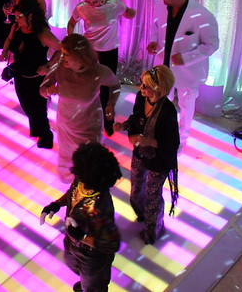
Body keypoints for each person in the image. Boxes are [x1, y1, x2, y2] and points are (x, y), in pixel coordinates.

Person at [146, 0, 219, 151]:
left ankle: (181, 140)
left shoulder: (203, 15)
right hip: (163, 67)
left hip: (189, 72)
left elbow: (212, 45)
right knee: (163, 103)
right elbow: (155, 27)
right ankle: (161, 132)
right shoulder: (160, 7)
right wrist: (153, 41)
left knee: (186, 107)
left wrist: (186, 57)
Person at [40, 142, 122, 292]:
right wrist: (57, 204)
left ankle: (92, 286)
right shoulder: (81, 180)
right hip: (72, 243)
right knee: (73, 265)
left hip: (91, 255)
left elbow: (112, 245)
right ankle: (88, 282)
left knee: (93, 286)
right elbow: (73, 193)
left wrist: (82, 237)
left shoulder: (101, 207)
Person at [40, 34, 121, 182]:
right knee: (68, 168)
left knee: (89, 168)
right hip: (66, 127)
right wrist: (47, 91)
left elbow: (116, 85)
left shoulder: (98, 72)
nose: (61, 56)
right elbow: (42, 89)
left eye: (66, 54)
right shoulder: (59, 67)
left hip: (89, 128)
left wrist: (111, 103)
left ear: (79, 56)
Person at [114, 65, 180, 245]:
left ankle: (153, 231)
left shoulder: (167, 112)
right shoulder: (139, 98)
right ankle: (142, 215)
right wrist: (124, 126)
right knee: (136, 189)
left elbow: (172, 144)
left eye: (146, 86)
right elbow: (136, 118)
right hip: (140, 154)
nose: (141, 89)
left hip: (158, 160)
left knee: (152, 196)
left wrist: (149, 141)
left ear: (159, 89)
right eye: (142, 85)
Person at [67, 0, 135, 135]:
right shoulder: (81, 7)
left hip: (110, 50)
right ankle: (89, 117)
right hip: (90, 51)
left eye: (95, 2)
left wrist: (132, 13)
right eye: (88, 1)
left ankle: (108, 120)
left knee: (108, 86)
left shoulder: (114, 4)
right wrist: (71, 40)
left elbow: (128, 13)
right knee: (89, 84)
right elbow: (71, 23)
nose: (91, 5)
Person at [0, 0, 61, 149]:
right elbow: (8, 39)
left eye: (20, 16)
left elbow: (61, 49)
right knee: (26, 106)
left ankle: (45, 135)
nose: (17, 18)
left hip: (36, 79)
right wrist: (5, 51)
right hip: (20, 75)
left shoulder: (42, 34)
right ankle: (38, 130)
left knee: (38, 110)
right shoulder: (17, 27)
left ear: (31, 16)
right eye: (17, 15)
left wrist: (48, 65)